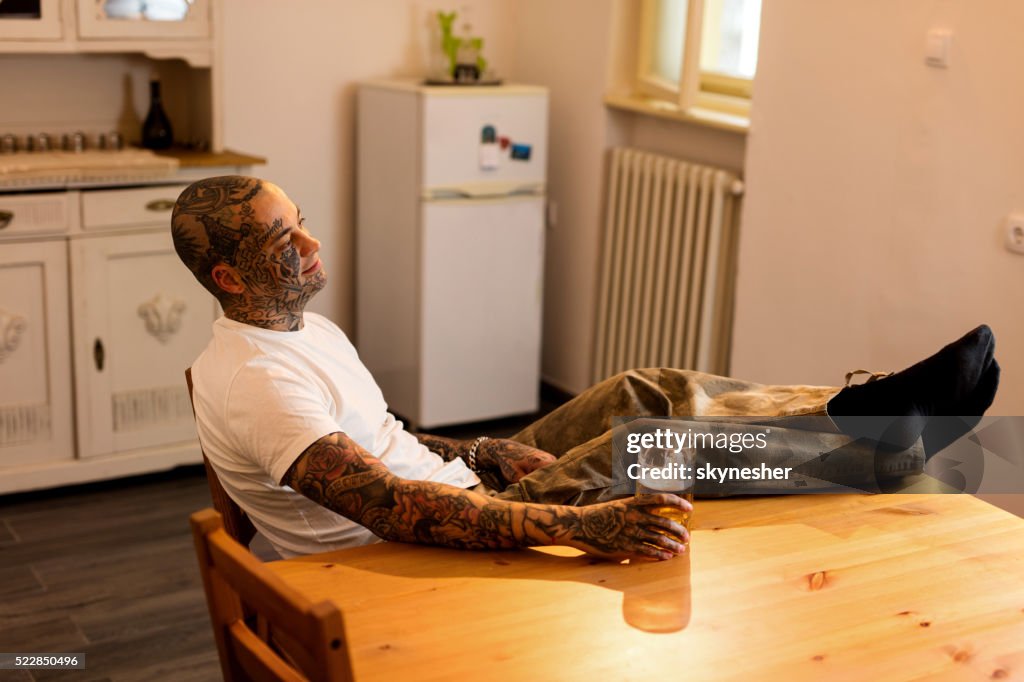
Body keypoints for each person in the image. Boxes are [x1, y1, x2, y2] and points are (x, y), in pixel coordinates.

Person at [173, 176, 999, 561]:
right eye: (287, 244)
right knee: (658, 445)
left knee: (642, 388)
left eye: (303, 223)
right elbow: (389, 507)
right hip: (414, 546)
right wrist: (580, 526)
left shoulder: (298, 330)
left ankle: (871, 407)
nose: (314, 246)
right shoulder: (260, 383)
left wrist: (487, 450)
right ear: (232, 279)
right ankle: (878, 447)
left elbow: (382, 437)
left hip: (460, 484)